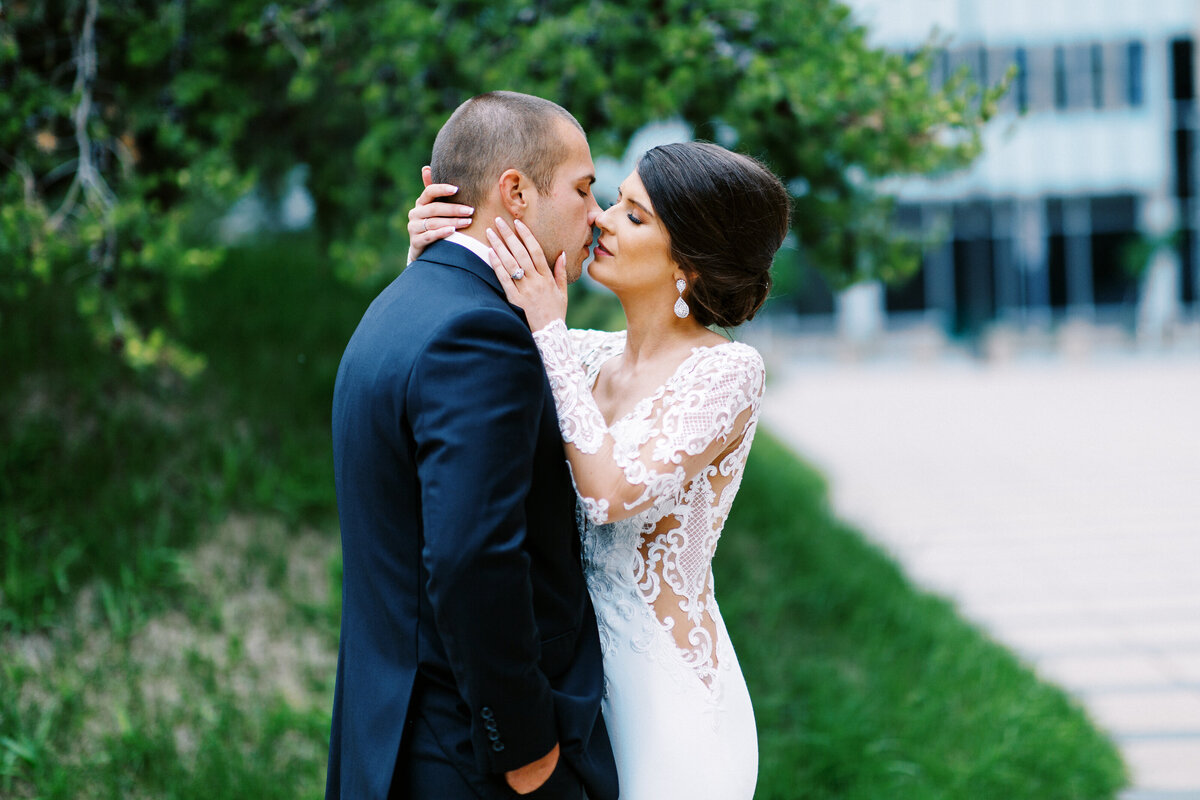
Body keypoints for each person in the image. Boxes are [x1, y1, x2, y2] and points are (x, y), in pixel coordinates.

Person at [408, 139, 791, 798]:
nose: (604, 221)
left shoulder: (726, 371)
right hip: (577, 689)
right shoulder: (584, 357)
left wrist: (549, 331)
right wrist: (432, 254)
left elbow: (609, 493)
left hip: (667, 708)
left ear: (690, 267)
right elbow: (447, 361)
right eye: (614, 200)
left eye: (634, 216)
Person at [326, 91, 619, 800]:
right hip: (471, 762)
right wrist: (524, 747)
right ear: (515, 192)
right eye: (583, 190)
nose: (597, 215)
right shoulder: (478, 335)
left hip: (391, 738)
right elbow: (471, 557)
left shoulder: (398, 305)